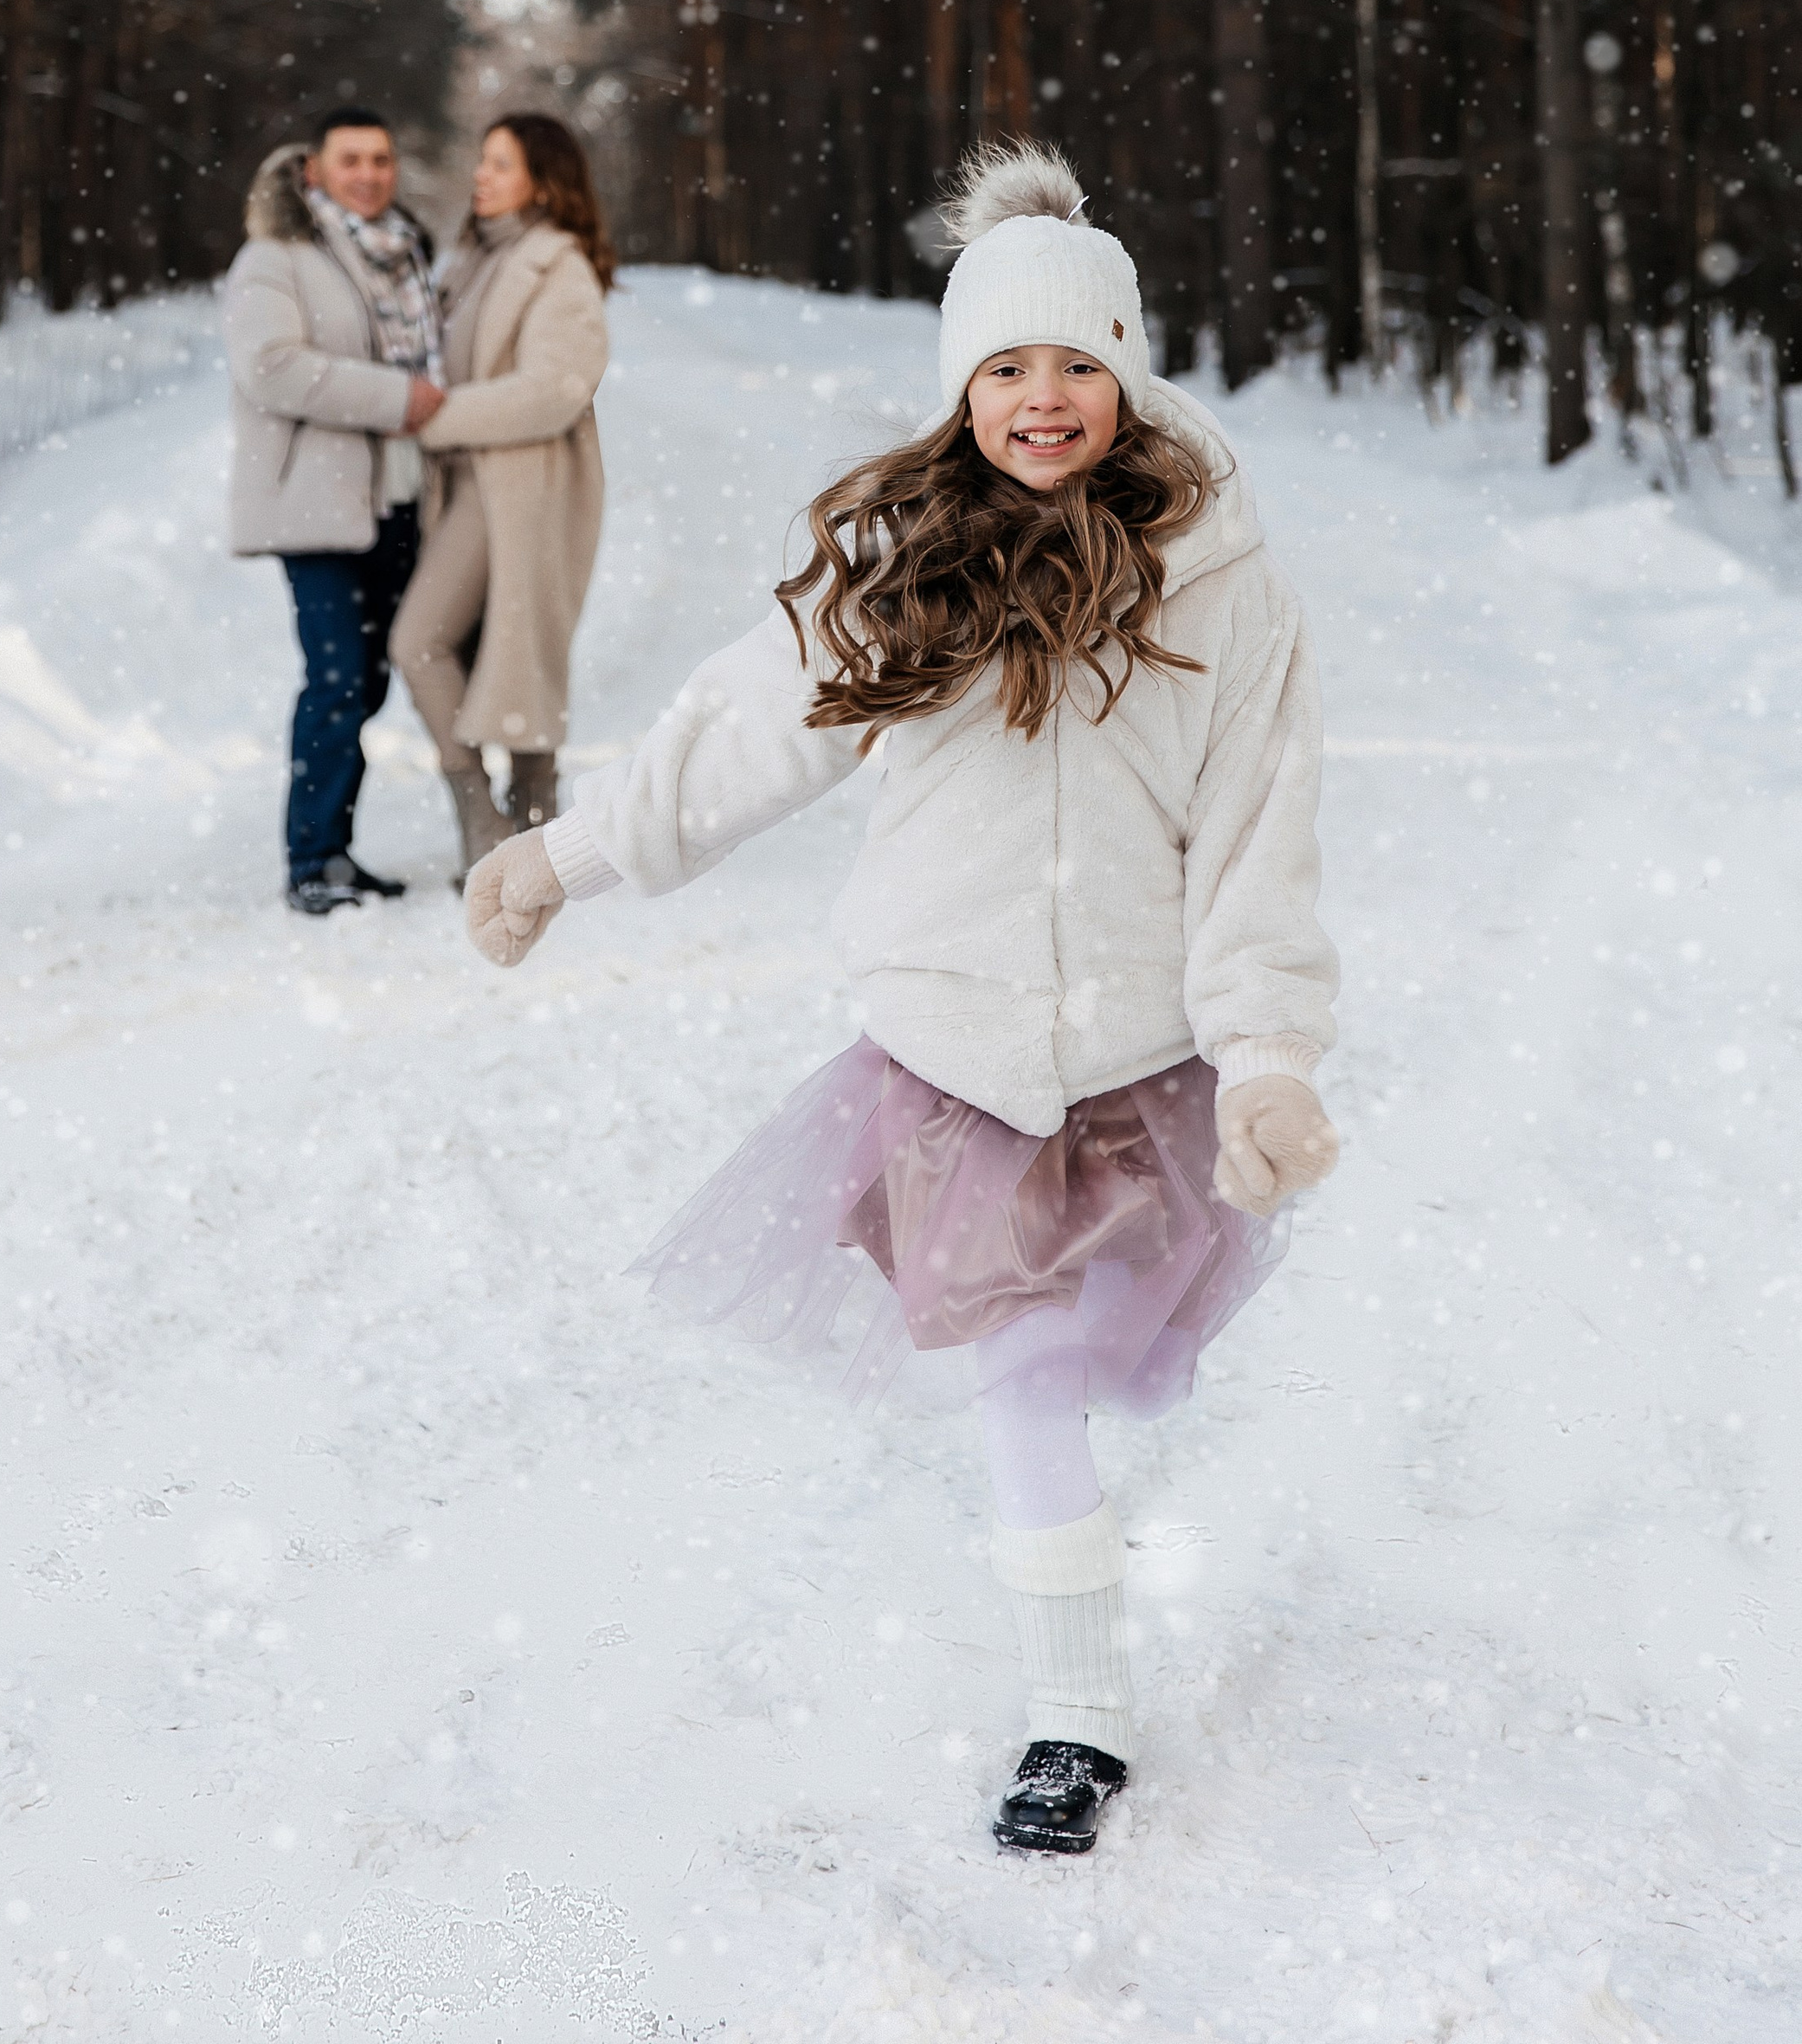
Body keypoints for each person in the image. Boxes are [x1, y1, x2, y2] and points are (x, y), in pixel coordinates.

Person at [460, 143, 1340, 1856]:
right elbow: (736, 738)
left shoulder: (1224, 595)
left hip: (1139, 1057)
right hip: (951, 1056)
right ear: (957, 390)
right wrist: (564, 860)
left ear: (1126, 371)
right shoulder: (903, 570)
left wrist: (1265, 1060)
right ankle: (1074, 1719)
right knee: (1022, 1373)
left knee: (1072, 1364)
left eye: (1074, 361)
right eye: (1001, 367)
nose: (1038, 398)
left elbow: (1257, 840)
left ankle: (1065, 1587)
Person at [222, 108, 446, 917]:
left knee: (372, 680)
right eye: (350, 159)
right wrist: (400, 401)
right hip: (315, 507)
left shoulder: (399, 254)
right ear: (312, 171)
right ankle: (311, 859)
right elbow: (271, 367)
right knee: (336, 681)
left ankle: (336, 853)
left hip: (393, 500)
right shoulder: (275, 257)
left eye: (381, 159)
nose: (370, 173)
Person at [389, 113, 614, 880]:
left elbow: (553, 390)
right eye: (481, 161)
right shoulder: (473, 260)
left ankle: (504, 812)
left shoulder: (560, 268)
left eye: (500, 164)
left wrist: (434, 417)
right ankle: (509, 813)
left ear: (543, 182)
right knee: (475, 646)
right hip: (468, 479)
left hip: (522, 485)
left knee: (439, 641)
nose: (480, 176)